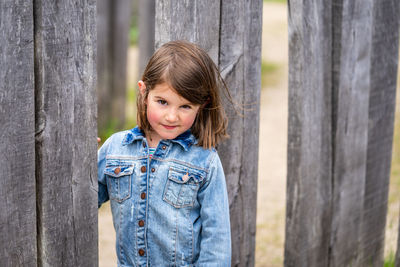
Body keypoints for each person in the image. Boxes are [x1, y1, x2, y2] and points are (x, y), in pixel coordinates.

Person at [98, 40, 231, 266]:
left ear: (202, 105)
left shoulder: (205, 161)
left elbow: (216, 241)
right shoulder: (115, 149)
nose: (172, 116)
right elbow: (81, 197)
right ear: (144, 92)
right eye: (162, 102)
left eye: (185, 106)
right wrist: (80, 163)